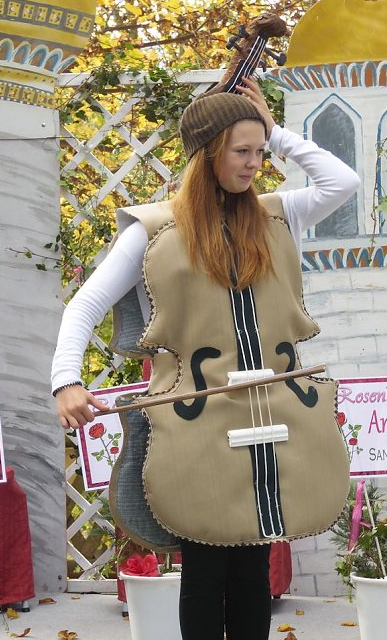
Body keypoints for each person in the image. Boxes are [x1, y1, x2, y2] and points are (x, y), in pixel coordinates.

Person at [51, 76, 359, 640]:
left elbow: (345, 180)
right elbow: (86, 303)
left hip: (275, 408)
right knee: (204, 569)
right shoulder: (155, 230)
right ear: (209, 151)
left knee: (253, 569)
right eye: (242, 151)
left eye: (260, 151)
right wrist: (65, 380)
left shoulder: (276, 216)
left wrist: (275, 130)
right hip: (199, 418)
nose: (255, 164)